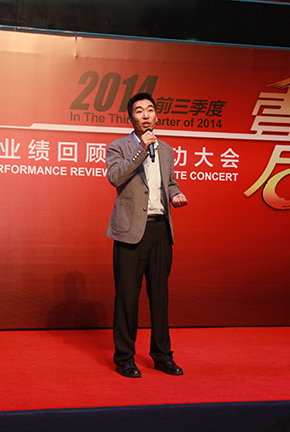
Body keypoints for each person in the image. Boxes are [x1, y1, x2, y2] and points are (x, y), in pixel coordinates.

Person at [106, 92, 188, 378]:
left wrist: (176, 194)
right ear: (131, 117)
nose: (145, 115)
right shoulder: (119, 146)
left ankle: (162, 356)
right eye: (139, 110)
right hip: (130, 231)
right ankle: (124, 358)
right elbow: (116, 177)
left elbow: (170, 183)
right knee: (127, 297)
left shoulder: (166, 150)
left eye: (150, 110)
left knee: (160, 296)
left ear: (156, 116)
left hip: (160, 229)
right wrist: (141, 148)